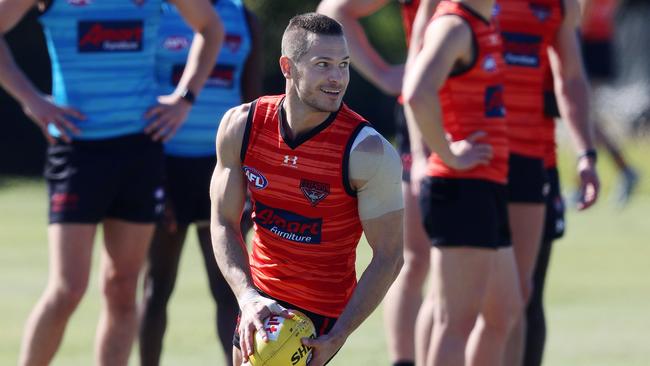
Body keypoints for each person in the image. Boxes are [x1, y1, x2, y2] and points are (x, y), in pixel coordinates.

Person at [0, 1, 223, 365]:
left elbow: (211, 27)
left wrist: (184, 99)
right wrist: (31, 99)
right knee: (68, 289)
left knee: (122, 287)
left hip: (140, 148)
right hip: (76, 151)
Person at [209, 12, 405, 366]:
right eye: (323, 64)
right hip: (260, 298)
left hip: (321, 313)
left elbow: (390, 256)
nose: (337, 77)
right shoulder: (242, 126)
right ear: (288, 66)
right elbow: (223, 221)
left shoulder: (367, 151)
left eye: (343, 64)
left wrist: (338, 334)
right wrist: (247, 296)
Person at [315, 1, 438, 365]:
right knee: (418, 258)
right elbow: (333, 10)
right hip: (429, 116)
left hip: (498, 124)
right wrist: (385, 73)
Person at [138, 1, 260, 365]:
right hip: (164, 164)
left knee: (229, 289)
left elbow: (251, 103)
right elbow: (141, 91)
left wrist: (251, 176)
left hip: (223, 167)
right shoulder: (156, 12)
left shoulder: (245, 19)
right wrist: (152, 178)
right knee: (157, 287)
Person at [403, 0, 523, 365]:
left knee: (503, 310)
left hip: (486, 185)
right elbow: (417, 91)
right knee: (456, 322)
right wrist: (447, 152)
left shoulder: (482, 20)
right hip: (461, 187)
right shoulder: (454, 25)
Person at [495, 0, 600, 364]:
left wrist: (586, 153)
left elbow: (570, 77)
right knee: (461, 296)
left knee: (526, 292)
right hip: (470, 165)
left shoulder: (561, 4)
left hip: (535, 161)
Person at [578, 0, 638, 207]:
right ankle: (585, 181)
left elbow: (582, 19)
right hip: (601, 44)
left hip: (589, 46)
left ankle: (623, 170)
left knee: (581, 117)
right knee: (584, 118)